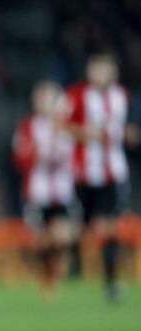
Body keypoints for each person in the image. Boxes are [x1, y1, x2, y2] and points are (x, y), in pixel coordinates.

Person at [62, 52, 138, 302]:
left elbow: (129, 128)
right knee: (78, 228)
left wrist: (129, 134)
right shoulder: (76, 94)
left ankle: (110, 280)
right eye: (96, 69)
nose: (101, 74)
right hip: (83, 173)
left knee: (108, 226)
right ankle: (71, 273)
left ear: (113, 72)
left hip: (113, 172)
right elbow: (62, 126)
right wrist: (86, 133)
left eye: (105, 69)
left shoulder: (122, 96)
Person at [12, 80, 75, 296]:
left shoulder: (68, 125)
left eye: (51, 97)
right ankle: (47, 276)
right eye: (42, 98)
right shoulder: (28, 126)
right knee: (42, 241)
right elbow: (19, 157)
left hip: (61, 190)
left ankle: (54, 274)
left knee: (63, 236)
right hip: (37, 191)